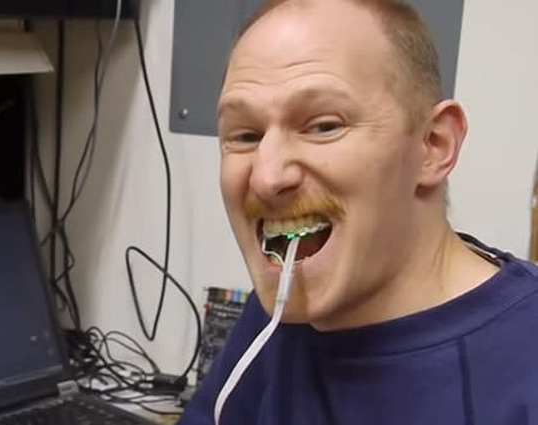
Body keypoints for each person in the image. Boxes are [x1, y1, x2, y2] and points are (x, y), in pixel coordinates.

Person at [177, 0, 538, 423]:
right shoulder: (279, 312)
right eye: (245, 135)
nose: (267, 177)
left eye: (324, 126)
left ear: (434, 145)